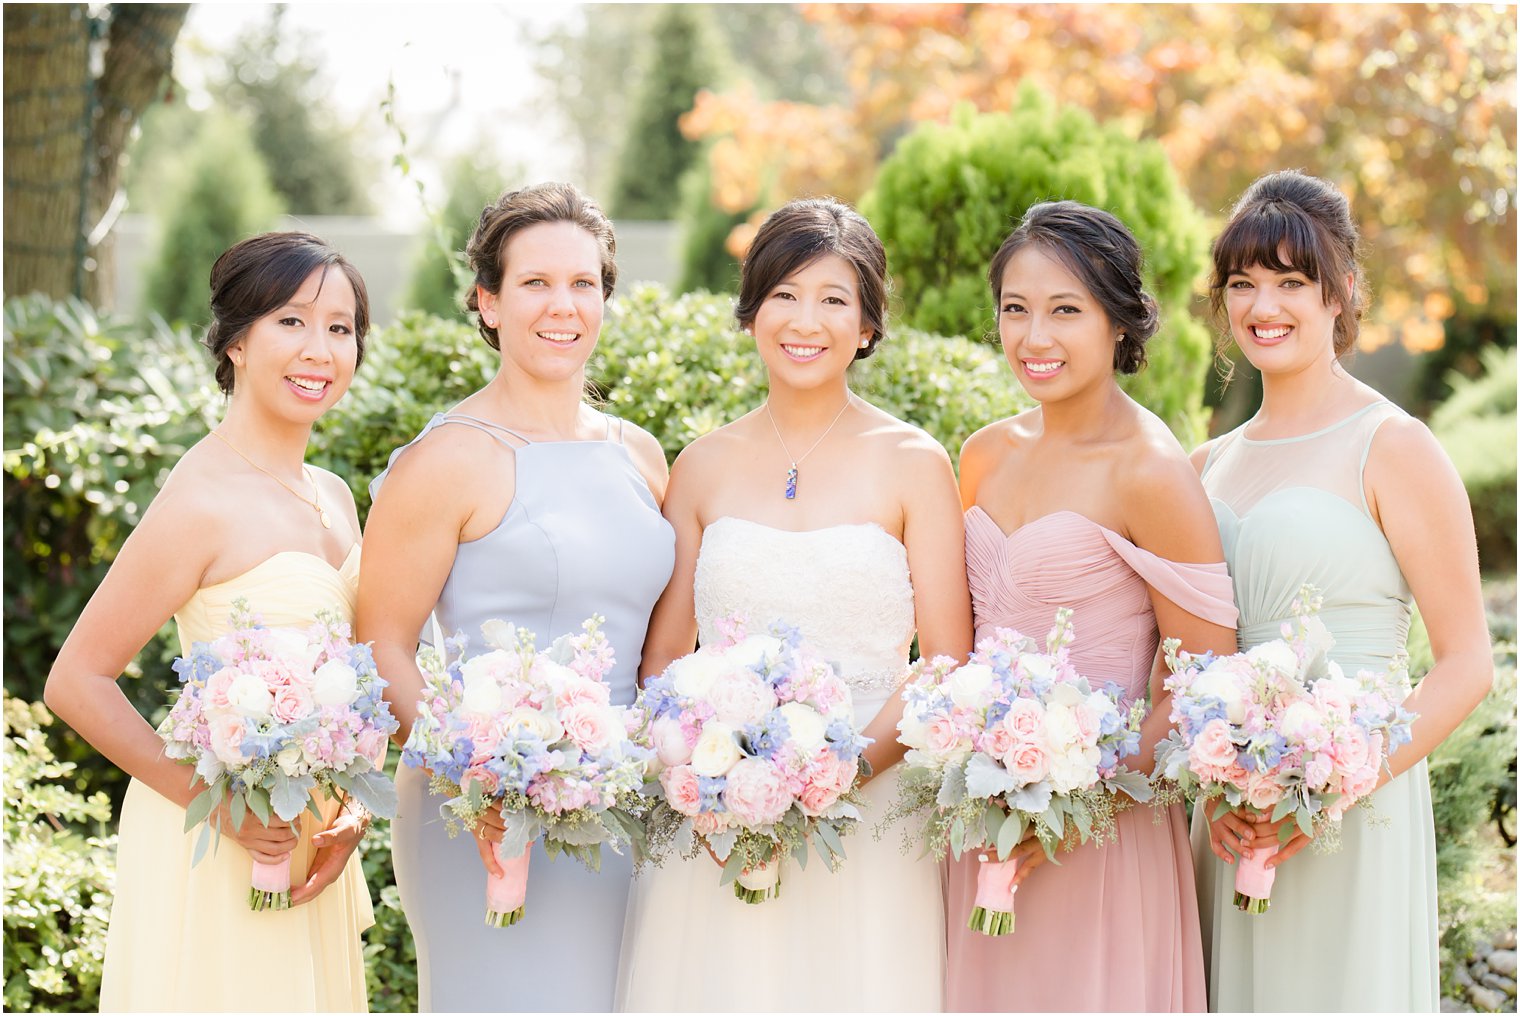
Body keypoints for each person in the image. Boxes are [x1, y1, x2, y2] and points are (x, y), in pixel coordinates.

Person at [615, 197, 973, 1013]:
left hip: (872, 821)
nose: (805, 320)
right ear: (752, 312)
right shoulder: (702, 466)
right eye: (784, 294)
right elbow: (666, 659)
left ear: (868, 324)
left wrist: (835, 774)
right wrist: (714, 771)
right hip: (719, 817)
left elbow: (946, 664)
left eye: (834, 298)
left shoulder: (914, 463)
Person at [358, 182, 675, 1013]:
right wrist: (486, 779)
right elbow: (381, 647)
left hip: (626, 807)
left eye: (583, 284)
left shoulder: (640, 456)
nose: (561, 306)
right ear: (488, 302)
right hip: (484, 810)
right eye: (534, 283)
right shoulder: (446, 460)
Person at [44, 233, 374, 1011]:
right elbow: (76, 680)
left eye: (340, 326)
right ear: (236, 341)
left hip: (309, 838)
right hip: (219, 837)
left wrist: (354, 809)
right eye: (291, 322)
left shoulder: (333, 494)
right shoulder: (201, 497)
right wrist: (219, 805)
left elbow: (356, 682)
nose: (319, 349)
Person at [1191, 169, 1492, 1012]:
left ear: (1343, 292)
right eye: (1244, 284)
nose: (1264, 306)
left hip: (1353, 812)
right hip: (1227, 817)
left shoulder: (1393, 446)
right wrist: (1213, 791)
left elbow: (1466, 665)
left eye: (1292, 282)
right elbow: (1180, 664)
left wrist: (1329, 790)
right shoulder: (1203, 467)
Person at [946, 201, 1239, 1012]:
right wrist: (991, 781)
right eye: (1016, 309)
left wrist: (1072, 802)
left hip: (1102, 830)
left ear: (1118, 321)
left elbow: (1200, 682)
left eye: (1065, 311)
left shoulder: (1150, 470)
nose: (1034, 337)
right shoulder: (983, 454)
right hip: (981, 820)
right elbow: (960, 648)